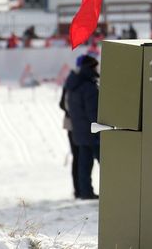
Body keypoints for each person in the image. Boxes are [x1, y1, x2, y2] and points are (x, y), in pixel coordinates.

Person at [65, 54, 100, 200]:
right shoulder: (88, 87)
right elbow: (93, 112)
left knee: (83, 164)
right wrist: (99, 128)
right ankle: (113, 190)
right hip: (92, 131)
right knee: (106, 163)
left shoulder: (73, 85)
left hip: (78, 130)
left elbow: (65, 105)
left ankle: (85, 191)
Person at [59, 63, 81, 198]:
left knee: (77, 157)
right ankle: (80, 189)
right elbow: (63, 104)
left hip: (70, 125)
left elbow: (61, 104)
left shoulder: (69, 82)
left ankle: (77, 189)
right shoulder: (78, 82)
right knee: (80, 157)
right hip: (76, 125)